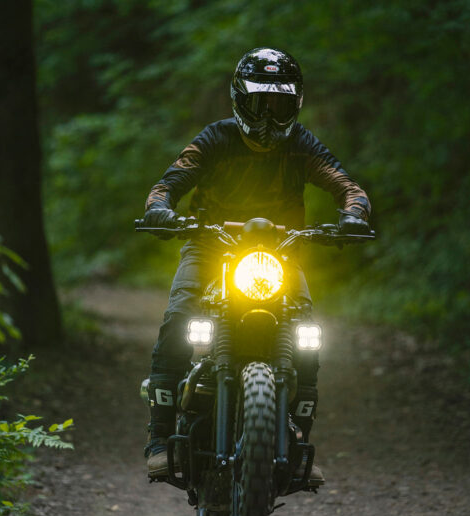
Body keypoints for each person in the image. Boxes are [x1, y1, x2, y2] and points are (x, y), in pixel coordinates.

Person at [141, 47, 371, 483]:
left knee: (307, 335)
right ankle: (159, 438)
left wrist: (354, 215)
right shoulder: (214, 139)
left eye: (279, 104)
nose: (268, 114)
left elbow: (346, 186)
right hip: (210, 250)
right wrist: (160, 210)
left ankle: (298, 441)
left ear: (295, 104)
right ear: (238, 99)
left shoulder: (302, 145)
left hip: (280, 254)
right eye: (258, 102)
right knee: (178, 320)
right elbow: (168, 183)